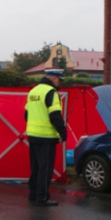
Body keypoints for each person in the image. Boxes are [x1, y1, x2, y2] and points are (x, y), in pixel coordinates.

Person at [24, 68, 67, 206]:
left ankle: (33, 193)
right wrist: (62, 133)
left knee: (35, 167)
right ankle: (42, 197)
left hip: (33, 135)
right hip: (46, 137)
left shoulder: (33, 91)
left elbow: (26, 114)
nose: (59, 83)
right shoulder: (51, 92)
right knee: (45, 168)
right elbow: (55, 116)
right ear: (54, 78)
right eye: (59, 80)